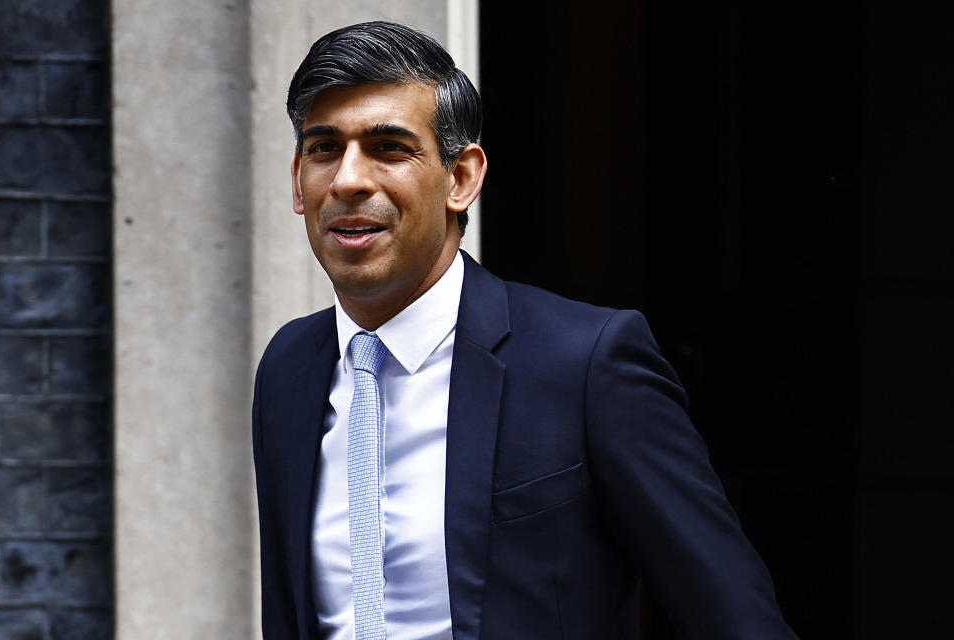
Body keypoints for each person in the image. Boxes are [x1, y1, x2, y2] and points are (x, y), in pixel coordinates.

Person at [252, 21, 798, 640]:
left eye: (388, 148)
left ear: (461, 178)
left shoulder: (585, 362)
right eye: (325, 148)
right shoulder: (289, 368)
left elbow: (733, 616)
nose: (349, 179)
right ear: (299, 179)